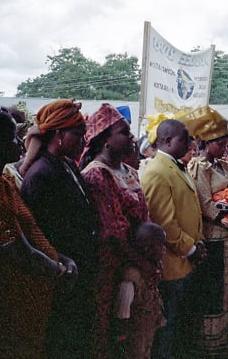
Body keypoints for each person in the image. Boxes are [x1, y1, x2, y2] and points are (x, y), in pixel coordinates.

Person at [0, 101, 77, 358]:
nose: (19, 141)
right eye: (12, 136)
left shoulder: (0, 181)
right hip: (3, 301)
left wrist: (62, 258)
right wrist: (59, 270)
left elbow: (31, 232)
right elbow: (19, 252)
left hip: (16, 297)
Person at [21, 99, 100, 359]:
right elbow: (38, 234)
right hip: (62, 278)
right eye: (78, 134)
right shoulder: (40, 174)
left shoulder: (67, 165)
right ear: (58, 135)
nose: (83, 141)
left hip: (81, 272)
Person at [78, 103, 150, 358]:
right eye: (124, 132)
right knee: (114, 333)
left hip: (139, 263)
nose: (131, 137)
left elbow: (143, 216)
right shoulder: (97, 175)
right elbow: (113, 231)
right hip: (113, 269)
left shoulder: (129, 171)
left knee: (140, 333)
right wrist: (142, 263)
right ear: (105, 140)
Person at [140, 119, 206, 359]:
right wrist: (191, 248)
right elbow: (164, 223)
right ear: (167, 141)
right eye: (184, 138)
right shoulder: (157, 172)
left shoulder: (178, 167)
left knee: (178, 327)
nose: (190, 143)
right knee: (166, 330)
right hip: (171, 265)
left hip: (184, 263)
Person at [184, 106, 228, 356]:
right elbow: (205, 205)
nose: (225, 146)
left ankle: (220, 339)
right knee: (212, 289)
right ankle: (206, 343)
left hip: (227, 235)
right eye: (220, 142)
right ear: (206, 142)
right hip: (212, 235)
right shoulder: (199, 167)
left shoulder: (222, 165)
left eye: (225, 141)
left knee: (224, 288)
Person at [114, 222, 166, 359]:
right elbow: (123, 313)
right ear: (148, 250)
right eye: (161, 245)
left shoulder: (152, 272)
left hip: (147, 329)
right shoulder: (131, 280)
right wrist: (122, 337)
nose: (165, 249)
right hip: (134, 333)